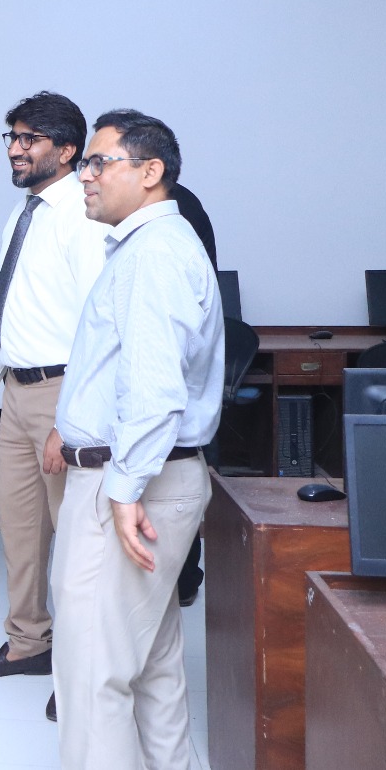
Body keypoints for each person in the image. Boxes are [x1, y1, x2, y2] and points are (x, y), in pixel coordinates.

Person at [49, 109, 223, 770]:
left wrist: (122, 494)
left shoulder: (153, 255)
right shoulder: (151, 246)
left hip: (130, 484)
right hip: (150, 475)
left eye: (99, 162)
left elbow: (153, 390)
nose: (84, 176)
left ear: (150, 172)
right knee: (151, 665)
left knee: (94, 676)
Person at [0, 93, 107, 715]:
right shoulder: (22, 215)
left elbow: (98, 325)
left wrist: (70, 420)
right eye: (12, 138)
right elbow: (10, 311)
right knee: (19, 532)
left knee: (76, 546)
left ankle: (78, 670)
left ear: (66, 150)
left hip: (61, 393)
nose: (16, 149)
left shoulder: (84, 214)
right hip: (16, 393)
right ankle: (28, 643)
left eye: (29, 139)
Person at [170, 181, 217, 609]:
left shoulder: (176, 212)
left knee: (169, 484)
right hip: (177, 374)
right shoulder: (184, 204)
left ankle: (183, 580)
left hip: (174, 376)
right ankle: (183, 582)